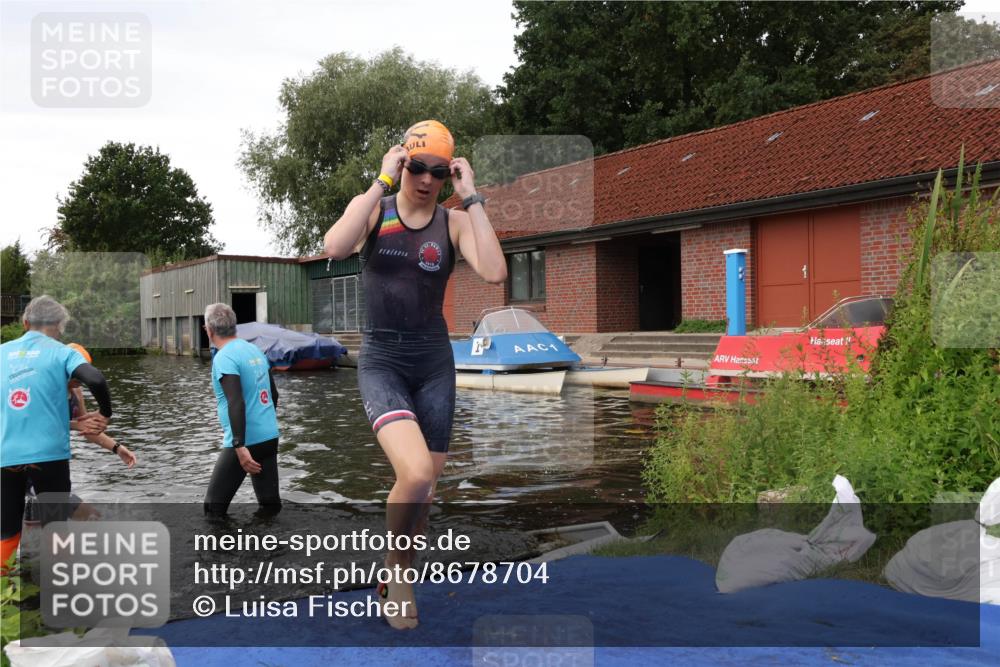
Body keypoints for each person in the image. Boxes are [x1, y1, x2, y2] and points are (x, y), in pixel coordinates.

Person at [323, 120, 506, 629]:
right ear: (404, 163)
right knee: (417, 473)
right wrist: (379, 182)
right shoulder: (376, 211)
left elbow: (494, 272)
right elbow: (335, 246)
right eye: (418, 167)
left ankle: (401, 564)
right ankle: (396, 572)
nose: (427, 180)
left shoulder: (452, 221)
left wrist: (472, 199)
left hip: (432, 362)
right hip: (382, 359)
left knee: (423, 493)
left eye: (440, 173)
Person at [0, 296, 114, 569]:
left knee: (6, 532)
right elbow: (96, 379)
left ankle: (4, 595)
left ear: (26, 323)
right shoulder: (62, 352)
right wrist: (105, 414)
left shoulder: (2, 351)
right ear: (60, 326)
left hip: (6, 454)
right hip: (49, 456)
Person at [202, 303, 282, 517]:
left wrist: (239, 445)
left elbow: (235, 402)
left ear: (208, 330)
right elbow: (273, 395)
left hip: (245, 442)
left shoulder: (224, 357)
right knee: (269, 505)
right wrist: (264, 425)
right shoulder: (253, 349)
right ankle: (269, 548)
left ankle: (223, 550)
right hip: (269, 438)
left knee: (213, 509)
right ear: (234, 326)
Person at [66, 343, 136, 468]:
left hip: (58, 455)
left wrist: (117, 448)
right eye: (77, 378)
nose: (81, 382)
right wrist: (75, 425)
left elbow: (87, 429)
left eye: (83, 378)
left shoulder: (76, 392)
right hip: (31, 455)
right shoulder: (47, 389)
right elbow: (36, 422)